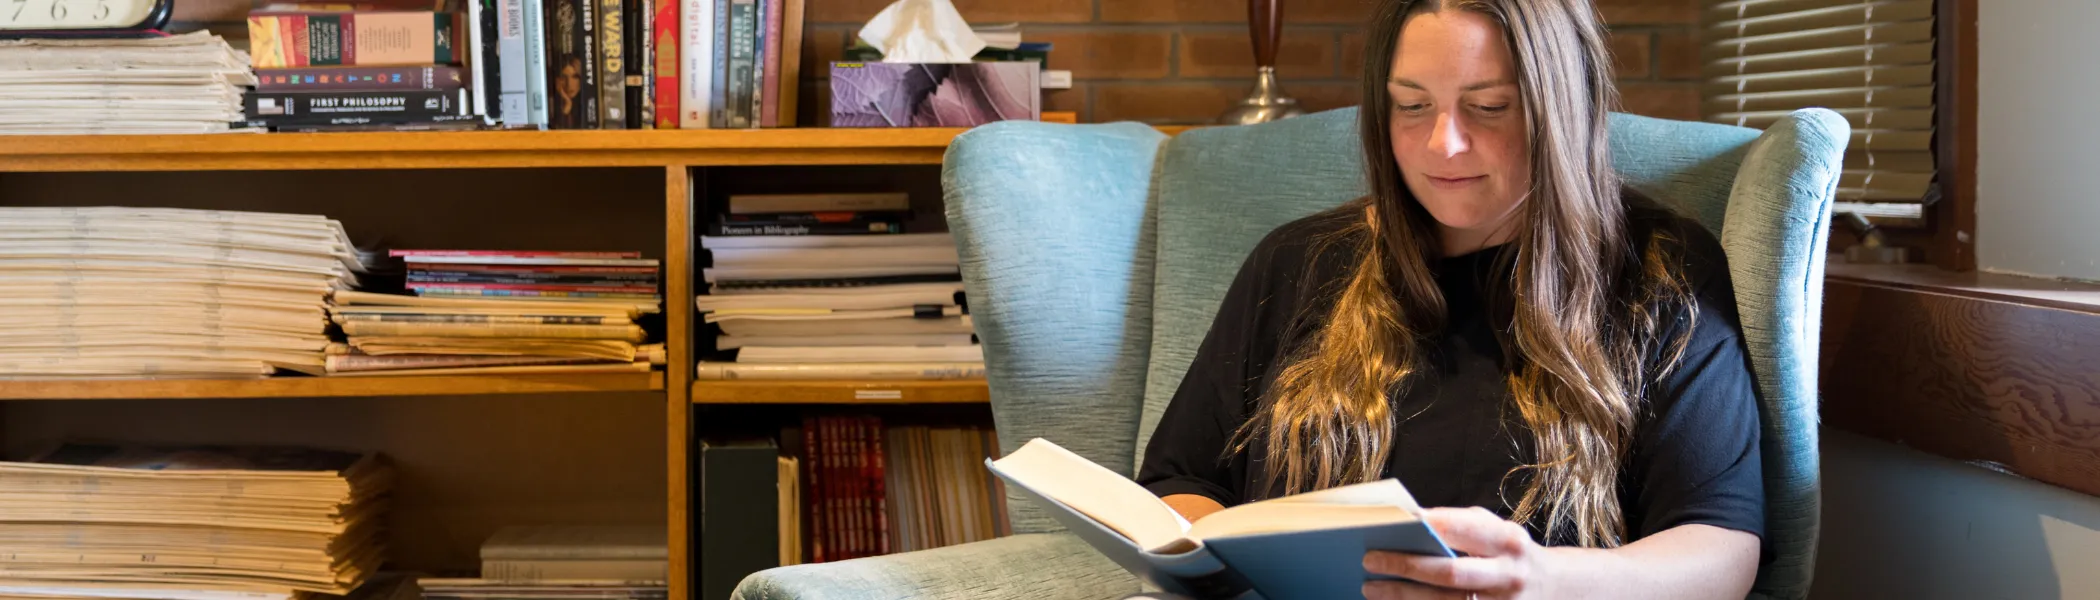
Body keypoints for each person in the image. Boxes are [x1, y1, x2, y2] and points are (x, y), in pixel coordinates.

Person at [1134, 0, 1766, 598]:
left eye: (1488, 106)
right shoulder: (1298, 261)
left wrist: (1543, 581)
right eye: (1412, 105)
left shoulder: (1661, 271)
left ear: (1563, 108)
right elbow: (1182, 480)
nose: (1443, 144)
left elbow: (1719, 547)